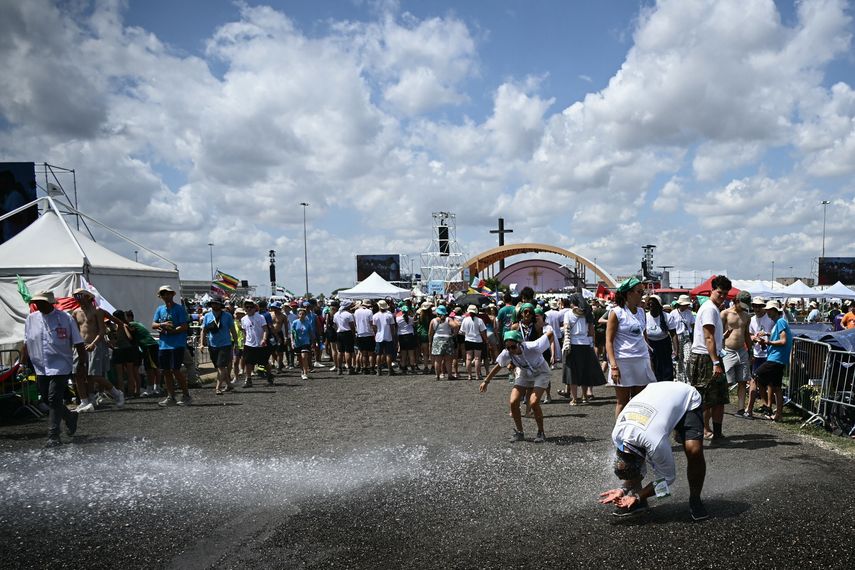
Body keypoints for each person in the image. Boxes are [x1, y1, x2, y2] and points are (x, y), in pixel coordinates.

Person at [598, 382, 708, 521]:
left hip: (686, 397)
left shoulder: (654, 443)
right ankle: (639, 501)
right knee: (629, 467)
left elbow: (668, 478)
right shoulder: (617, 435)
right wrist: (623, 489)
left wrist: (637, 496)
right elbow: (630, 466)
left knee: (694, 450)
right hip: (655, 394)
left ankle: (695, 499)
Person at [20, 290, 86, 447]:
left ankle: (53, 435)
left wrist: (82, 363)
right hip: (40, 365)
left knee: (54, 398)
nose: (37, 305)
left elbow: (78, 343)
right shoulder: (31, 319)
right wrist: (22, 364)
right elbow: (26, 343)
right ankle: (69, 416)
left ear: (50, 303)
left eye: (41, 302)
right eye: (36, 303)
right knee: (45, 398)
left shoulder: (66, 319)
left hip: (60, 365)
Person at [479, 328, 555, 444]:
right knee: (513, 401)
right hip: (525, 372)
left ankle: (541, 432)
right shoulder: (507, 353)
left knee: (533, 402)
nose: (510, 350)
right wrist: (486, 381)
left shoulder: (533, 346)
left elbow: (550, 333)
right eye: (508, 347)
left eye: (513, 347)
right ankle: (520, 432)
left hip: (541, 372)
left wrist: (552, 348)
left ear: (520, 343)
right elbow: (499, 366)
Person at [687, 275, 731, 440]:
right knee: (706, 398)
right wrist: (715, 362)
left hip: (713, 356)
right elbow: (708, 338)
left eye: (725, 294)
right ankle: (701, 429)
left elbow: (713, 337)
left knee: (719, 398)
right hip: (706, 357)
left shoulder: (713, 308)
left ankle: (717, 433)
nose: (722, 296)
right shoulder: (709, 309)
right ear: (712, 290)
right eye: (720, 292)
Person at [605, 278, 656, 418]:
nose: (642, 294)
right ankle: (620, 435)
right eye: (639, 291)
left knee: (639, 400)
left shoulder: (641, 312)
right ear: (628, 294)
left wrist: (648, 359)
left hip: (641, 359)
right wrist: (613, 366)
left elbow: (643, 337)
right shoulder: (616, 312)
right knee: (622, 401)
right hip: (623, 361)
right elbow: (609, 341)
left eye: (643, 291)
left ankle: (635, 432)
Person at [70, 288, 126, 411]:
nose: (77, 298)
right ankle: (85, 401)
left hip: (96, 344)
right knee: (78, 374)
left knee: (94, 375)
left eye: (80, 296)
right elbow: (74, 331)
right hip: (80, 345)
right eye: (76, 296)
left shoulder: (98, 311)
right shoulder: (75, 312)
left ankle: (117, 393)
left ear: (88, 297)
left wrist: (112, 339)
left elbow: (102, 330)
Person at [746, 301, 793, 421]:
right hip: (778, 359)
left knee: (755, 377)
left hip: (776, 359)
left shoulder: (781, 321)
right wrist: (767, 334)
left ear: (775, 311)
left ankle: (750, 410)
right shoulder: (777, 323)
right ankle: (778, 414)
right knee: (776, 387)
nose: (767, 311)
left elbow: (783, 341)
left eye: (769, 310)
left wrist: (767, 342)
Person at [562, 293, 606, 405]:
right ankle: (585, 396)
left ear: (572, 302)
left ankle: (574, 399)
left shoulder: (568, 313)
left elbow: (566, 329)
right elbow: (591, 332)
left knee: (572, 372)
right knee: (585, 371)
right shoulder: (587, 313)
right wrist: (591, 344)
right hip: (586, 345)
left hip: (573, 344)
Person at [152, 285, 192, 406]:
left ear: (172, 295)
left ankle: (186, 395)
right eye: (163, 293)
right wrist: (162, 325)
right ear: (161, 296)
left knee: (176, 370)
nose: (166, 296)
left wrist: (172, 331)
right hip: (164, 345)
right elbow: (153, 324)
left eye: (168, 293)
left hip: (177, 344)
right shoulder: (160, 309)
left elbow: (184, 326)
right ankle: (171, 397)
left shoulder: (179, 309)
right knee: (166, 371)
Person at [721, 291, 753, 416]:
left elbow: (746, 335)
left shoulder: (746, 316)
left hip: (742, 351)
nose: (743, 308)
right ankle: (719, 405)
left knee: (743, 380)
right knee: (727, 381)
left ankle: (740, 409)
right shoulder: (725, 313)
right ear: (736, 301)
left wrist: (750, 351)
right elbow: (718, 334)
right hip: (728, 350)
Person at [202, 296, 237, 395]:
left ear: (220, 305)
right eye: (213, 303)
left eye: (216, 303)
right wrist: (201, 343)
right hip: (212, 345)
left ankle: (218, 387)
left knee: (221, 366)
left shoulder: (227, 316)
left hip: (225, 344)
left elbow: (233, 330)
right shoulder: (207, 316)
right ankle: (229, 384)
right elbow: (203, 330)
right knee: (219, 367)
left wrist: (237, 343)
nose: (214, 305)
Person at [645, 295, 678, 382]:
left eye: (653, 303)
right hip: (650, 345)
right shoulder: (645, 316)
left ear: (659, 305)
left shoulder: (667, 317)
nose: (651, 306)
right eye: (650, 304)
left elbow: (673, 334)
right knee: (653, 369)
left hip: (664, 345)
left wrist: (676, 351)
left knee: (666, 369)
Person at [239, 299, 270, 387]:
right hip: (249, 344)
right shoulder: (243, 319)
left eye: (251, 307)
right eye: (247, 307)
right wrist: (244, 341)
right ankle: (248, 379)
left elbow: (265, 329)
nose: (249, 309)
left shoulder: (260, 317)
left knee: (264, 362)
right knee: (248, 362)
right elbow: (245, 331)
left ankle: (269, 375)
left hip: (260, 344)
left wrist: (264, 339)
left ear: (254, 308)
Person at [428, 305, 458, 380]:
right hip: (447, 339)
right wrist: (454, 334)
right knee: (448, 359)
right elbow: (456, 326)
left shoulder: (433, 320)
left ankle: (437, 376)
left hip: (437, 339)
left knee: (437, 360)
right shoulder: (448, 319)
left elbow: (430, 333)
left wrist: (430, 341)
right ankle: (450, 375)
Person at [461, 304, 489, 381]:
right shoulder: (479, 320)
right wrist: (486, 339)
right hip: (478, 340)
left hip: (468, 340)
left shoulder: (465, 320)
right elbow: (483, 332)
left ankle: (469, 375)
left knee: (468, 358)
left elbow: (462, 331)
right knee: (477, 359)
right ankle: (477, 375)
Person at [671, 295, 695, 382]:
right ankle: (680, 379)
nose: (686, 306)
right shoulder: (673, 313)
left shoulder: (689, 313)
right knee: (679, 359)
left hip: (687, 337)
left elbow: (692, 324)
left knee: (688, 358)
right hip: (677, 337)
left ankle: (689, 379)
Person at [372, 300, 397, 376]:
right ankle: (390, 369)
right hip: (388, 336)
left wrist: (376, 333)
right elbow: (392, 327)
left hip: (379, 336)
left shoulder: (375, 316)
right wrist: (393, 336)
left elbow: (374, 327)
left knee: (378, 354)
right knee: (388, 354)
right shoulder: (389, 315)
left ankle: (378, 370)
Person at [334, 300, 356, 376]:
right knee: (348, 351)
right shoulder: (349, 315)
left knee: (340, 351)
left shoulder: (336, 314)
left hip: (339, 332)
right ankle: (349, 368)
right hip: (347, 333)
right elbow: (352, 326)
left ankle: (339, 368)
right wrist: (353, 335)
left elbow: (335, 325)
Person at [291, 307, 313, 380]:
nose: (301, 315)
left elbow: (310, 333)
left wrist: (312, 342)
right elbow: (292, 333)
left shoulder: (308, 323)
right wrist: (292, 341)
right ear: (298, 315)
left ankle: (305, 372)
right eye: (300, 314)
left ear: (305, 315)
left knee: (304, 357)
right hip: (297, 342)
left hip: (306, 342)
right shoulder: (295, 322)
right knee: (300, 358)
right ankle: (302, 370)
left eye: (303, 314)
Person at [354, 299, 375, 374]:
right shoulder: (369, 312)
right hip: (369, 333)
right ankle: (372, 368)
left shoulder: (356, 312)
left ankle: (364, 368)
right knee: (370, 353)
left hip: (360, 333)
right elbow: (371, 323)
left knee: (363, 353)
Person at [396, 304, 418, 374]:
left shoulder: (398, 319)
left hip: (402, 336)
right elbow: (413, 324)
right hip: (410, 335)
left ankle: (403, 368)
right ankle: (412, 368)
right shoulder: (410, 318)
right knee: (411, 353)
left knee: (403, 353)